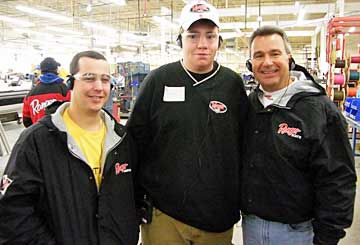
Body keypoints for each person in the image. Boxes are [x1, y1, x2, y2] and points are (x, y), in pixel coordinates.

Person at [126, 1, 249, 244]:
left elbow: (245, 145)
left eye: (210, 36)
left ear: (218, 41)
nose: (202, 44)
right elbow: (134, 141)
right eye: (193, 36)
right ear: (180, 39)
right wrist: (133, 197)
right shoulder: (158, 80)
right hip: (164, 215)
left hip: (217, 216)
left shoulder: (232, 84)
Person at [0, 50, 139, 244]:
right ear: (71, 83)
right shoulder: (36, 142)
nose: (99, 87)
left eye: (105, 79)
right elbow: (12, 213)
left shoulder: (121, 139)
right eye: (89, 78)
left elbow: (132, 200)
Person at [241, 25, 357, 245]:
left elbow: (338, 177)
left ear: (289, 59)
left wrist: (328, 236)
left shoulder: (318, 109)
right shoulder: (248, 105)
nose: (267, 62)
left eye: (275, 53)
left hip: (299, 233)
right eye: (258, 56)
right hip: (251, 227)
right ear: (250, 64)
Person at [22, 57, 71, 127]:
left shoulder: (30, 94)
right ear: (56, 70)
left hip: (38, 135)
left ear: (41, 71)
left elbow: (26, 121)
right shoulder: (65, 90)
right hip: (61, 135)